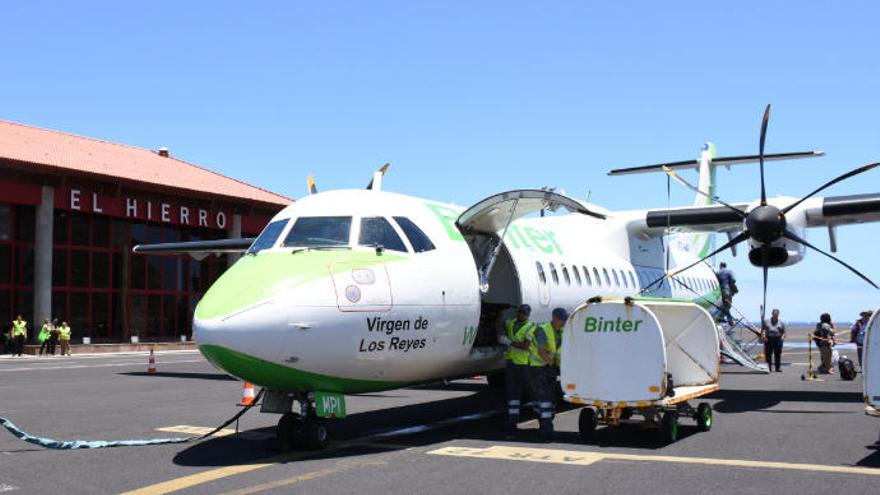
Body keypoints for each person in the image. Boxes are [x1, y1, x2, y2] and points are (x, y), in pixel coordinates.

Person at [525, 307, 566, 442]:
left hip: (549, 369)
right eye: (561, 320)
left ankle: (544, 425)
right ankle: (546, 430)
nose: (563, 322)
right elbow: (542, 352)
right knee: (544, 400)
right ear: (554, 318)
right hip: (538, 368)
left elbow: (558, 352)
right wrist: (552, 364)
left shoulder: (560, 332)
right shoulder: (542, 330)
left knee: (550, 400)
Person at [500, 304, 536, 432]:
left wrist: (509, 342)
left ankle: (543, 418)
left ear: (527, 315)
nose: (521, 314)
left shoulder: (530, 327)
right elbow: (502, 323)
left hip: (524, 364)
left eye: (524, 313)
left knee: (531, 391)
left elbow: (526, 346)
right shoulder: (511, 323)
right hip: (511, 363)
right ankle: (512, 421)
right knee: (512, 393)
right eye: (520, 312)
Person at [715, 262, 737, 327]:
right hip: (727, 291)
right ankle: (722, 317)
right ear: (725, 266)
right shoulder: (729, 271)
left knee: (724, 305)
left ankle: (728, 318)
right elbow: (734, 280)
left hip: (720, 292)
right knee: (728, 305)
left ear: (720, 266)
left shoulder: (718, 272)